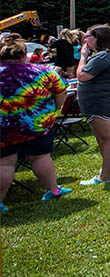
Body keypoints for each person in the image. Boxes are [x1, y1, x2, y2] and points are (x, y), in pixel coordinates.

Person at [0, 36, 72, 211]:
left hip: (4, 126)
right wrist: (56, 107)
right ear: (25, 54)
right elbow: (61, 91)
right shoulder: (43, 72)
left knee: (4, 163)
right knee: (40, 156)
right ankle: (53, 190)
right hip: (37, 124)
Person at [77, 25, 110, 186]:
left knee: (109, 139)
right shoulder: (108, 56)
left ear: (99, 37)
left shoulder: (104, 56)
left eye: (87, 36)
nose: (84, 40)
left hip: (100, 103)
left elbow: (82, 76)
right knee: (103, 139)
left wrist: (83, 57)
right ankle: (109, 169)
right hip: (100, 102)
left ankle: (106, 176)